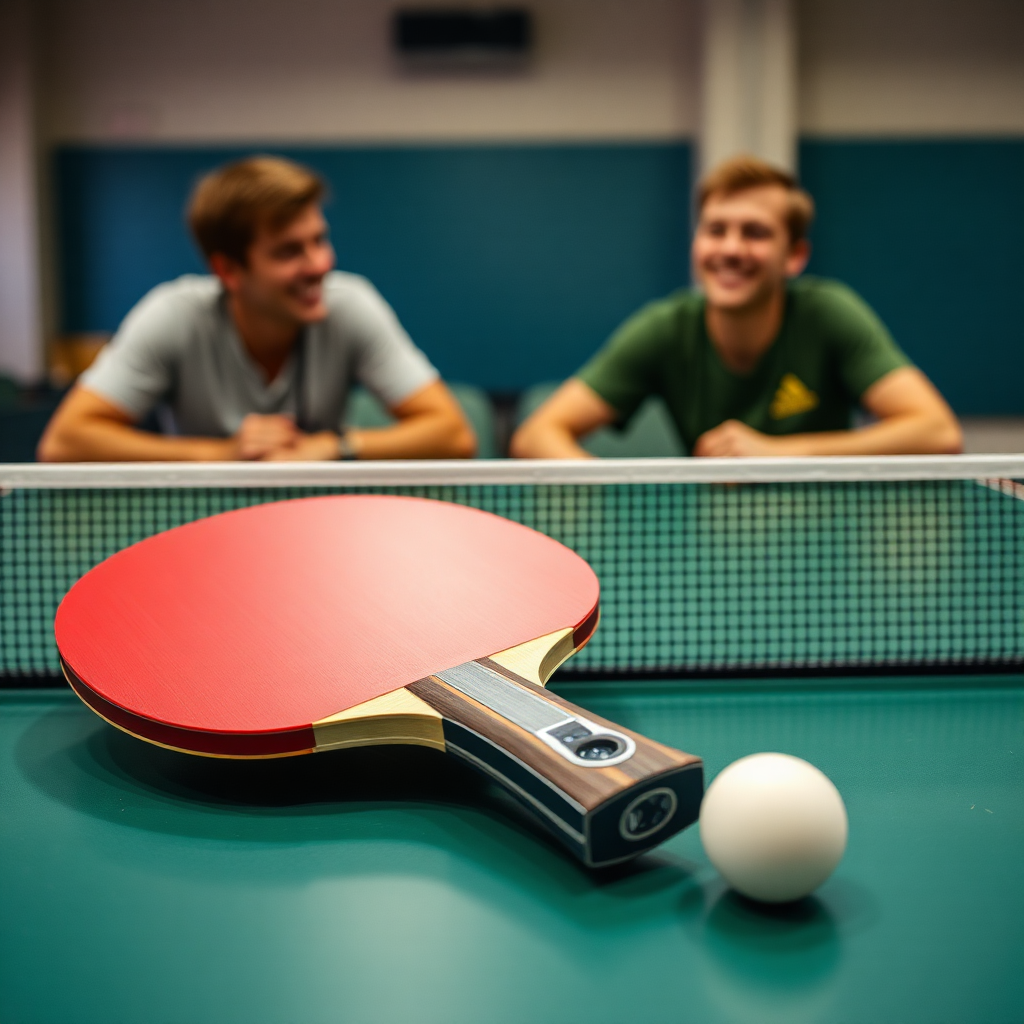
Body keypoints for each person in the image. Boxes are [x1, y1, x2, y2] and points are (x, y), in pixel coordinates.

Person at [511, 155, 962, 459]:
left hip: (826, 538)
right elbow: (536, 435)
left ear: (795, 256)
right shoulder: (665, 328)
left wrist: (779, 455)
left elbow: (938, 431)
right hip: (712, 539)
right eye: (715, 230)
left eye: (755, 233)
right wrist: (615, 496)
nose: (730, 249)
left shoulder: (829, 313)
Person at [39, 156, 476, 462]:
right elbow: (65, 442)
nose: (319, 265)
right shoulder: (173, 315)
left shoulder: (350, 304)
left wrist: (332, 446)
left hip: (314, 522)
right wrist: (222, 454)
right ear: (228, 270)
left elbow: (453, 434)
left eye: (319, 240)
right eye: (289, 252)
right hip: (200, 527)